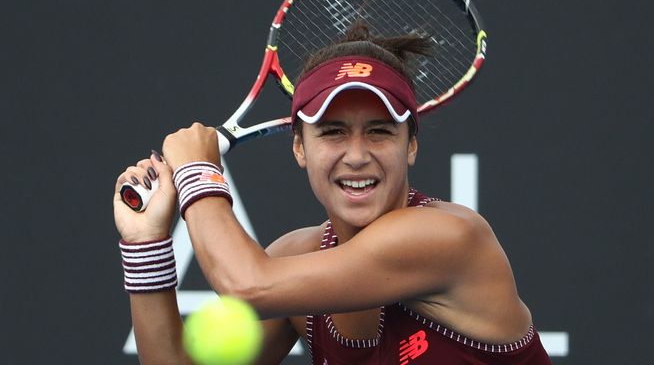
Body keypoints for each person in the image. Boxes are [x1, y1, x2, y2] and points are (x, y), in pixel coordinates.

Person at [114, 23, 552, 364]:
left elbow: (247, 284)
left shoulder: (448, 238)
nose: (356, 155)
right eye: (333, 132)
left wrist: (198, 170)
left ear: (411, 145)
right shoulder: (292, 259)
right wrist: (145, 243)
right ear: (300, 147)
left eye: (379, 132)